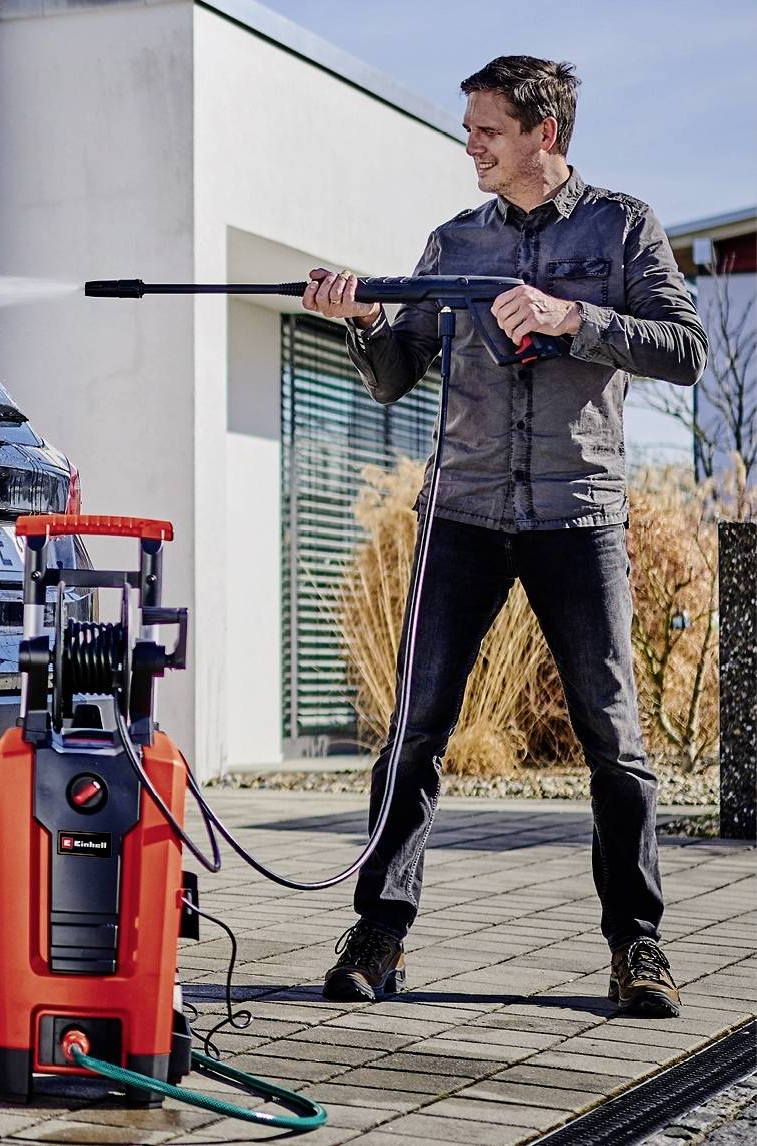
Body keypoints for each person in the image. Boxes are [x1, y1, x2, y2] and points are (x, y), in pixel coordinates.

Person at [302, 55, 705, 1018]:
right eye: (471, 130)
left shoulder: (623, 227)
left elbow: (685, 348)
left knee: (615, 741)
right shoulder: (452, 243)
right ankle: (379, 936)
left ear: (543, 134)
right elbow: (393, 375)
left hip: (579, 516)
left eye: (488, 130)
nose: (472, 147)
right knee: (413, 732)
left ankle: (638, 945)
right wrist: (364, 318)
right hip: (461, 516)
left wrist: (577, 318)